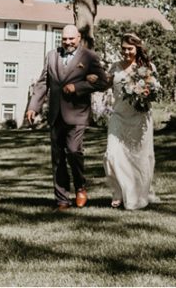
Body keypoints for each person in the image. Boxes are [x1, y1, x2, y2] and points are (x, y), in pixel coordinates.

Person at [25, 25, 110, 211]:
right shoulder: (51, 55)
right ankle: (62, 200)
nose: (68, 42)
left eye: (71, 39)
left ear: (78, 38)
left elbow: (103, 82)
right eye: (64, 39)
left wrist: (78, 87)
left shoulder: (89, 57)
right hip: (55, 114)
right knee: (57, 158)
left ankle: (80, 186)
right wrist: (33, 107)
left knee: (73, 151)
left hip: (77, 114)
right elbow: (42, 83)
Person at [101, 32, 160, 211]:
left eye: (130, 49)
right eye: (123, 49)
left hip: (140, 118)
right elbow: (105, 84)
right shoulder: (115, 67)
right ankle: (118, 190)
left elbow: (154, 92)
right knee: (112, 154)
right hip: (119, 116)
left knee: (139, 158)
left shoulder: (148, 67)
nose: (126, 52)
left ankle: (137, 196)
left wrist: (144, 92)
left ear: (137, 48)